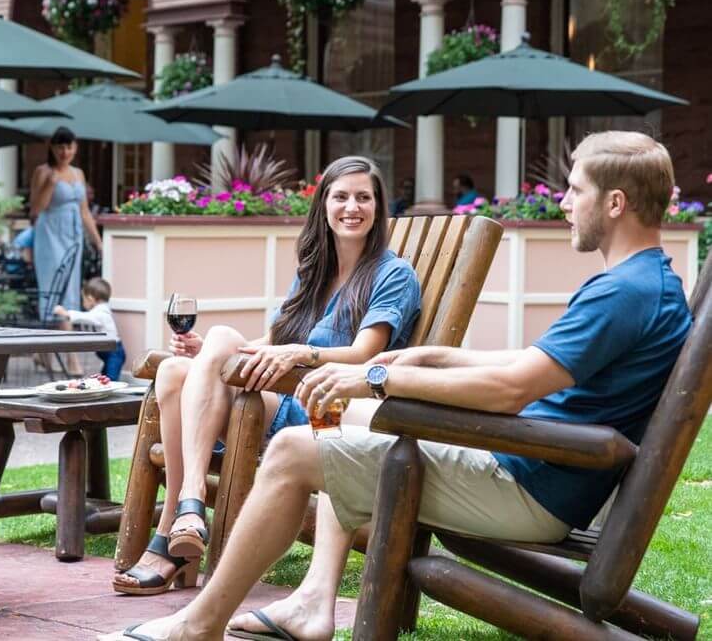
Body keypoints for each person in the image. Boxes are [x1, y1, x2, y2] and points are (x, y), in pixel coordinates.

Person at [103, 130, 692, 641]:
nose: (565, 203)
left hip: (529, 482)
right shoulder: (646, 283)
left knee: (290, 450)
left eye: (576, 190)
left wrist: (376, 374)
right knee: (338, 420)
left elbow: (512, 390)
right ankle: (313, 600)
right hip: (534, 463)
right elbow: (531, 364)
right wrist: (437, 356)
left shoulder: (622, 293)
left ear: (614, 203)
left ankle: (199, 624)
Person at [111, 156, 421, 604]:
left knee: (209, 350)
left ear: (378, 208)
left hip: (325, 410)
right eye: (341, 196)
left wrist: (303, 352)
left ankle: (176, 522)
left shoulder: (393, 274)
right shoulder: (314, 271)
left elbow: (365, 352)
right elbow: (270, 341)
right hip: (283, 399)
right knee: (179, 369)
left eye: (363, 197)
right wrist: (206, 356)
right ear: (324, 206)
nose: (351, 207)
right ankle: (189, 511)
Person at [30, 127, 103, 324]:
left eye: (69, 147)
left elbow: (85, 211)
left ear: (75, 148)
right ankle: (66, 351)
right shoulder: (43, 172)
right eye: (60, 147)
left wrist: (98, 242)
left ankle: (44, 350)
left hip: (73, 234)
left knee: (71, 285)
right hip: (50, 233)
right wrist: (51, 184)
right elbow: (36, 209)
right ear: (52, 148)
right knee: (54, 285)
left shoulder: (78, 174)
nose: (65, 152)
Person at [54, 276, 126, 381]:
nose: (83, 303)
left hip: (114, 353)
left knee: (110, 380)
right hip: (109, 353)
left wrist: (66, 314)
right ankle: (106, 392)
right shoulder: (100, 311)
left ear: (90, 299)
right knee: (104, 378)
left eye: (83, 299)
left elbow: (86, 318)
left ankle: (115, 394)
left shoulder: (101, 313)